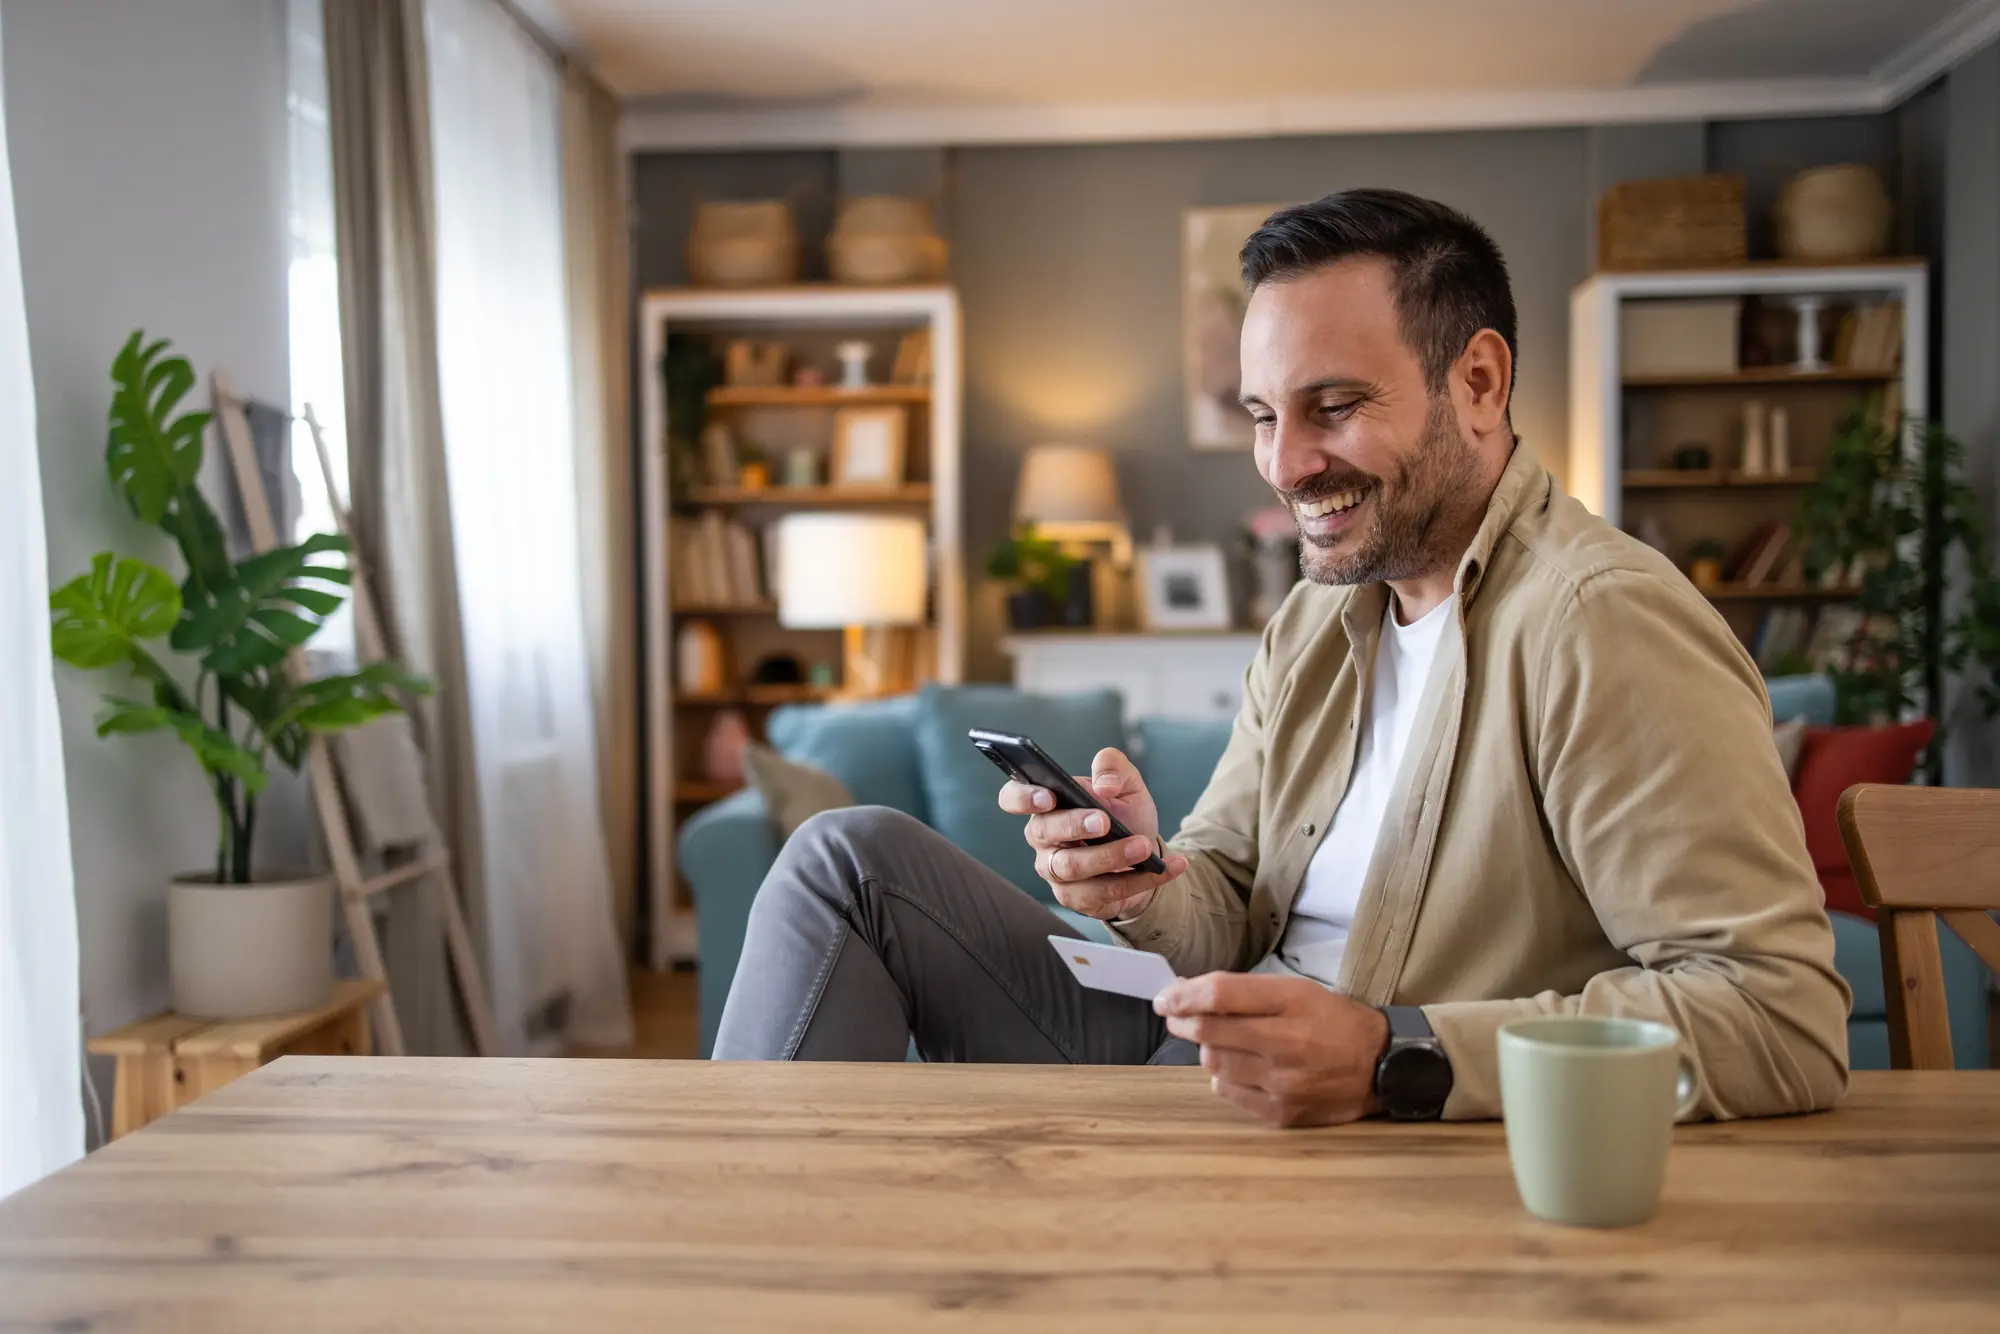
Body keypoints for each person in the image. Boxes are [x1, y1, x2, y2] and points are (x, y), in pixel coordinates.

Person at [714, 188, 1850, 1126]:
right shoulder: (1317, 621)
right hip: (1204, 1036)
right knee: (846, 858)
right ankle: (743, 1251)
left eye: (1334, 405)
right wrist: (1145, 880)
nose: (1285, 463)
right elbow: (1226, 897)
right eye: (1263, 414)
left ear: (1480, 381)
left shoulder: (1600, 623)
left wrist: (1392, 1053)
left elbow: (1778, 1013)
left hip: (1363, 1115)